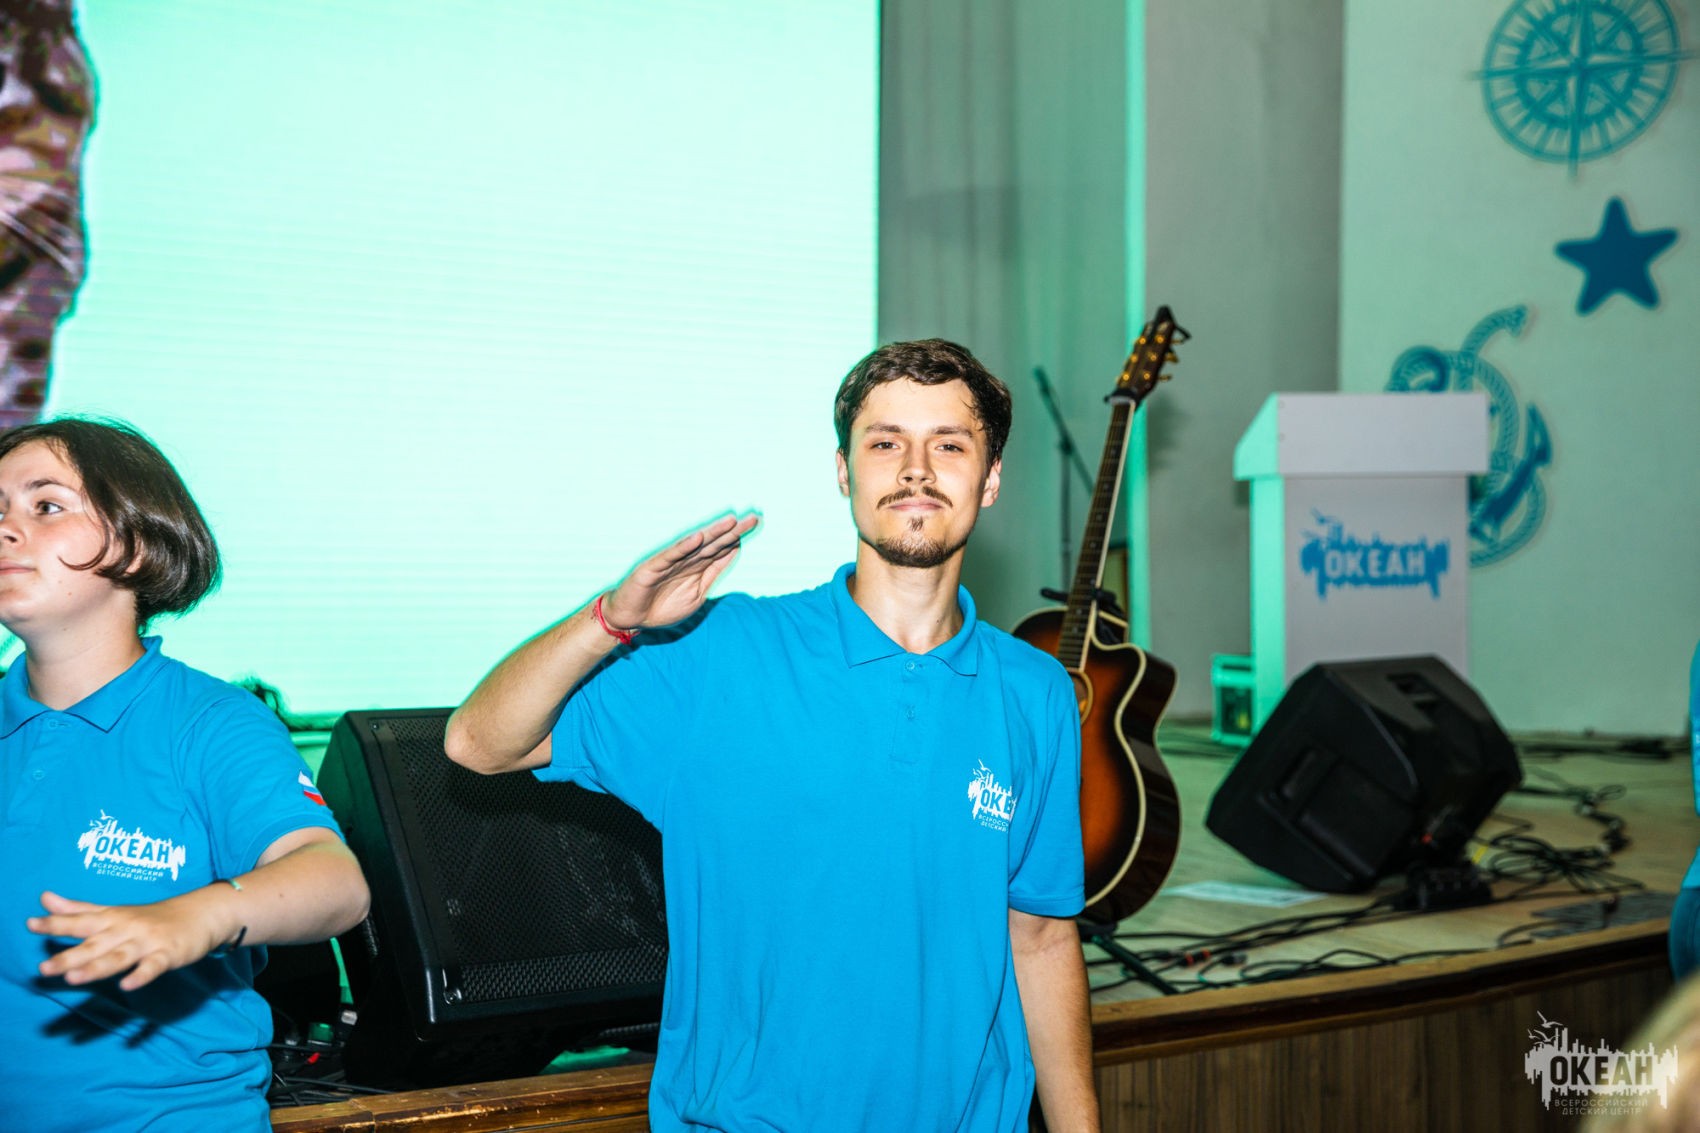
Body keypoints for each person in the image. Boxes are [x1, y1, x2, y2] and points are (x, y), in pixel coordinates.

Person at [446, 339, 1099, 1132]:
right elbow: (480, 743)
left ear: (990, 478)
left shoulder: (1035, 692)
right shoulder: (721, 652)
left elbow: (1039, 938)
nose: (916, 470)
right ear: (843, 471)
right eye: (886, 443)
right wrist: (610, 619)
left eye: (949, 445)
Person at [0, 418, 370, 1131]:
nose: (8, 529)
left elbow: (337, 884)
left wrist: (197, 916)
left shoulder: (211, 722)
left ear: (136, 544)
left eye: (46, 505)